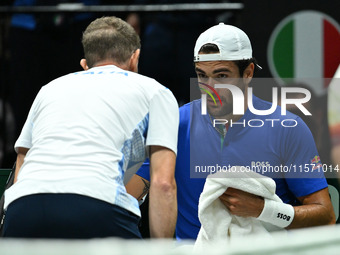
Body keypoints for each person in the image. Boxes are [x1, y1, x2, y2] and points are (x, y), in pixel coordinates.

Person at [126, 23, 336, 240]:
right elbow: (128, 194)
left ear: (248, 73)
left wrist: (264, 209)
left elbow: (325, 217)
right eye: (202, 75)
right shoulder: (175, 122)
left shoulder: (288, 128)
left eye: (222, 76)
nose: (210, 88)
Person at [2, 16, 179, 239]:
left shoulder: (48, 89)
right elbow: (163, 184)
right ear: (135, 58)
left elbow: (22, 162)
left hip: (23, 208)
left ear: (85, 65)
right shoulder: (156, 91)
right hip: (99, 207)